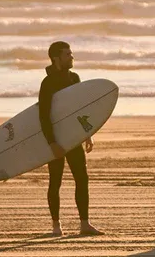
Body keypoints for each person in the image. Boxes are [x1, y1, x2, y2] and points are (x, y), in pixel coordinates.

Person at [39, 41, 103, 236]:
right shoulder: (47, 83)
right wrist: (52, 143)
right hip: (57, 139)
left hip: (73, 137)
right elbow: (43, 115)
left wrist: (87, 133)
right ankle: (56, 226)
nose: (72, 57)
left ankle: (85, 223)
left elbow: (80, 110)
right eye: (67, 54)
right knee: (55, 181)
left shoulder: (75, 78)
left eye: (71, 53)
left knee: (82, 179)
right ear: (56, 58)